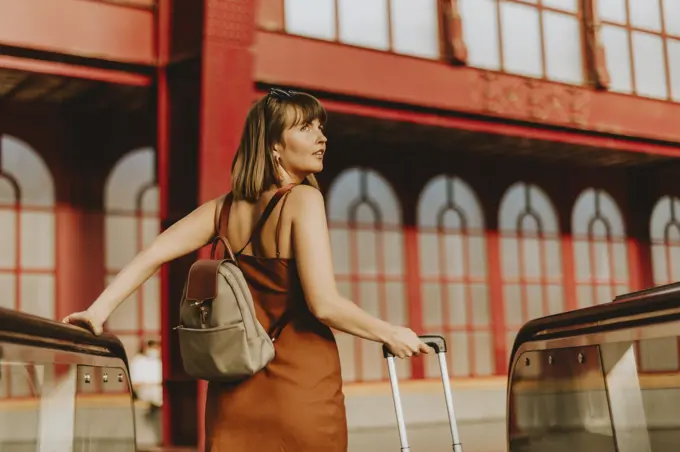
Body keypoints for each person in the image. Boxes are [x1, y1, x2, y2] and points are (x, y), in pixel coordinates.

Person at [62, 87, 432, 451]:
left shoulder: (224, 209)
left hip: (234, 384)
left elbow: (154, 252)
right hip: (301, 384)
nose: (321, 138)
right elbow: (324, 304)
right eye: (305, 129)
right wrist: (390, 333)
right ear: (274, 146)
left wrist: (98, 311)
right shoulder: (304, 199)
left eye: (320, 127)